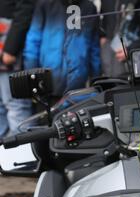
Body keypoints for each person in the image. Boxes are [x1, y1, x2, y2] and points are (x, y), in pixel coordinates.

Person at [24, 0, 101, 98]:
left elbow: (94, 47)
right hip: (47, 84)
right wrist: (32, 81)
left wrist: (96, 80)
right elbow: (33, 42)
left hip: (77, 87)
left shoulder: (89, 7)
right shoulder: (45, 4)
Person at [0, 0, 34, 137]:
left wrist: (11, 49)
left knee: (16, 106)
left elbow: (25, 9)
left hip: (10, 46)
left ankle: (23, 151)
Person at [101, 0, 140, 78]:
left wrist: (130, 50)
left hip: (129, 62)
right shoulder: (106, 2)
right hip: (108, 58)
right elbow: (104, 20)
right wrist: (102, 36)